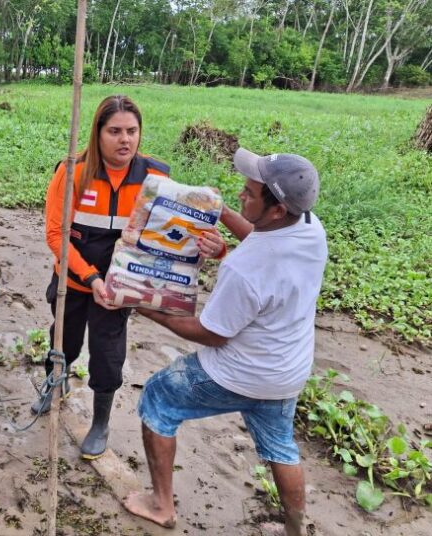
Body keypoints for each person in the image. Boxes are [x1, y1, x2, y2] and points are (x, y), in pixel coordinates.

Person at [124, 148, 328, 536]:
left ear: (277, 210)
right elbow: (260, 238)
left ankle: (162, 505)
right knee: (280, 447)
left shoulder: (243, 270)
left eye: (249, 194)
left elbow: (212, 333)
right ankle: (295, 530)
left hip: (240, 372)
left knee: (159, 397)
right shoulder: (310, 230)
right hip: (287, 371)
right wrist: (214, 210)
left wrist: (149, 310)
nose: (241, 195)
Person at [34, 95, 226, 460]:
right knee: (64, 340)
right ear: (97, 133)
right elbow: (56, 235)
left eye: (132, 131)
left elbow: (178, 235)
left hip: (120, 289)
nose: (125, 139)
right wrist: (91, 279)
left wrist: (213, 247)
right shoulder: (73, 171)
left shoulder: (156, 178)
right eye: (115, 131)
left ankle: (100, 422)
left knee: (107, 354)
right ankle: (53, 386)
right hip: (74, 282)